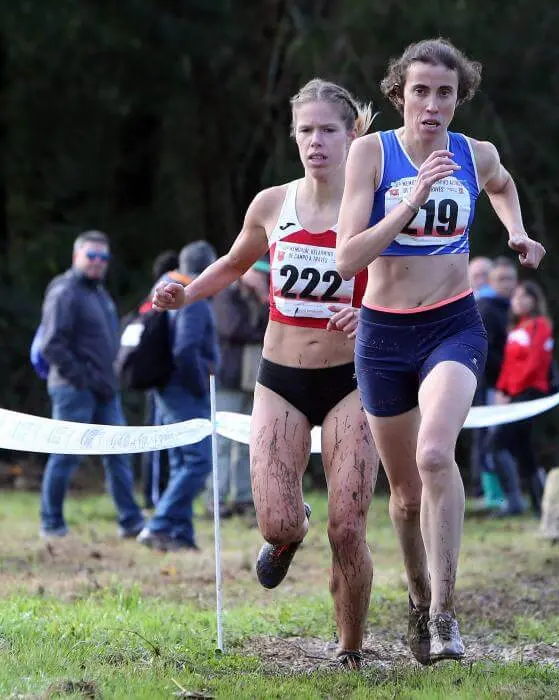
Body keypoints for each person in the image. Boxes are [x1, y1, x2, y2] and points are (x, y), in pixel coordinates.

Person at [151, 79, 379, 669]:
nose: (316, 141)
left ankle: (350, 649)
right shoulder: (272, 204)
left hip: (353, 380)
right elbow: (233, 262)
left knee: (348, 526)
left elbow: (411, 282)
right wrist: (186, 294)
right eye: (305, 130)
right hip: (282, 376)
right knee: (277, 518)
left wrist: (372, 312)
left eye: (329, 129)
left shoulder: (378, 204)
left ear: (353, 132)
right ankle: (288, 529)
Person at [336, 38, 545, 664]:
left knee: (435, 454)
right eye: (421, 91)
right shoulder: (371, 154)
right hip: (382, 334)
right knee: (402, 497)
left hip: (453, 325)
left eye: (445, 93)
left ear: (460, 98)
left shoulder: (475, 154)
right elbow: (348, 256)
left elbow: (503, 185)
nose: (432, 105)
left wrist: (516, 231)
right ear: (399, 93)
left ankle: (448, 616)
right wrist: (411, 199)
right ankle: (419, 598)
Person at [38, 230, 144, 539]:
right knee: (65, 455)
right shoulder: (64, 291)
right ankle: (52, 523)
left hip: (105, 390)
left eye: (103, 257)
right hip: (74, 389)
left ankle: (131, 521)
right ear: (76, 257)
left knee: (118, 454)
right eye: (91, 256)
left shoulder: (99, 294)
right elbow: (52, 345)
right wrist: (83, 379)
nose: (98, 263)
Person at [137, 241, 219, 551]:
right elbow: (185, 350)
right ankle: (158, 526)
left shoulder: (165, 289)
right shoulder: (192, 299)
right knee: (199, 462)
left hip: (166, 388)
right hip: (184, 390)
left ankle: (181, 535)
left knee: (182, 460)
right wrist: (200, 385)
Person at [206, 258, 269, 519]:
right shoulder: (225, 296)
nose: (261, 278)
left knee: (246, 443)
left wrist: (264, 298)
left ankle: (242, 497)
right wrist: (260, 322)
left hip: (253, 381)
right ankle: (215, 498)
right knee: (221, 442)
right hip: (228, 380)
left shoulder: (265, 299)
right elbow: (232, 328)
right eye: (257, 273)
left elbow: (273, 327)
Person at [493, 281, 554, 516]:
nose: (517, 301)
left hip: (530, 393)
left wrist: (514, 392)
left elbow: (535, 363)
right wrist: (502, 390)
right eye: (515, 297)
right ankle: (538, 504)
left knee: (498, 444)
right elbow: (509, 366)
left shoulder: (540, 326)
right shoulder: (517, 329)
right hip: (514, 395)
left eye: (523, 296)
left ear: (534, 300)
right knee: (523, 447)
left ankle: (516, 501)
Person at [473, 257, 519, 511]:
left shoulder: (515, 310)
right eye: (501, 279)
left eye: (510, 279)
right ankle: (492, 494)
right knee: (490, 441)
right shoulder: (486, 309)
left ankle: (510, 493)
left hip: (513, 388)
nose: (507, 284)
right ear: (490, 282)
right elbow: (487, 352)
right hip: (492, 387)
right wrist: (504, 380)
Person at [141, 249, 180, 509]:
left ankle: (156, 495)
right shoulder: (167, 291)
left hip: (155, 374)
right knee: (157, 441)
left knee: (160, 441)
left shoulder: (152, 293)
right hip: (161, 377)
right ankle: (154, 497)